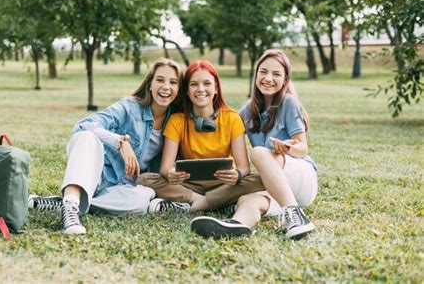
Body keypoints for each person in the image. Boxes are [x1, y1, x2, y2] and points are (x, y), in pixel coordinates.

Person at [28, 58, 184, 234]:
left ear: (179, 90)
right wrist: (120, 142)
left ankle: (68, 202)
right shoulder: (130, 107)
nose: (166, 87)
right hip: (95, 175)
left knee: (142, 201)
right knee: (85, 136)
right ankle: (70, 212)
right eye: (160, 80)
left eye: (173, 82)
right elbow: (83, 124)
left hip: (122, 189)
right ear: (149, 84)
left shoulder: (176, 122)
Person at [190, 49, 318, 240]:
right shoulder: (245, 112)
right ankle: (237, 225)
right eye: (263, 72)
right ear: (256, 74)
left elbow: (303, 148)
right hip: (277, 187)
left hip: (300, 178)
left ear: (285, 79)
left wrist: (288, 148)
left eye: (276, 74)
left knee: (259, 153)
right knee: (246, 200)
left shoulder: (288, 103)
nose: (268, 78)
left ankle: (295, 216)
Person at [139, 60, 263, 216]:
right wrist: (171, 173)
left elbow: (244, 167)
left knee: (260, 180)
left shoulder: (232, 118)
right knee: (144, 179)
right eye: (194, 84)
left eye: (207, 84)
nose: (201, 89)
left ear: (216, 88)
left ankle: (192, 207)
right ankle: (215, 203)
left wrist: (237, 175)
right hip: (188, 185)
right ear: (187, 91)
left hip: (223, 184)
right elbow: (165, 168)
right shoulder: (177, 120)